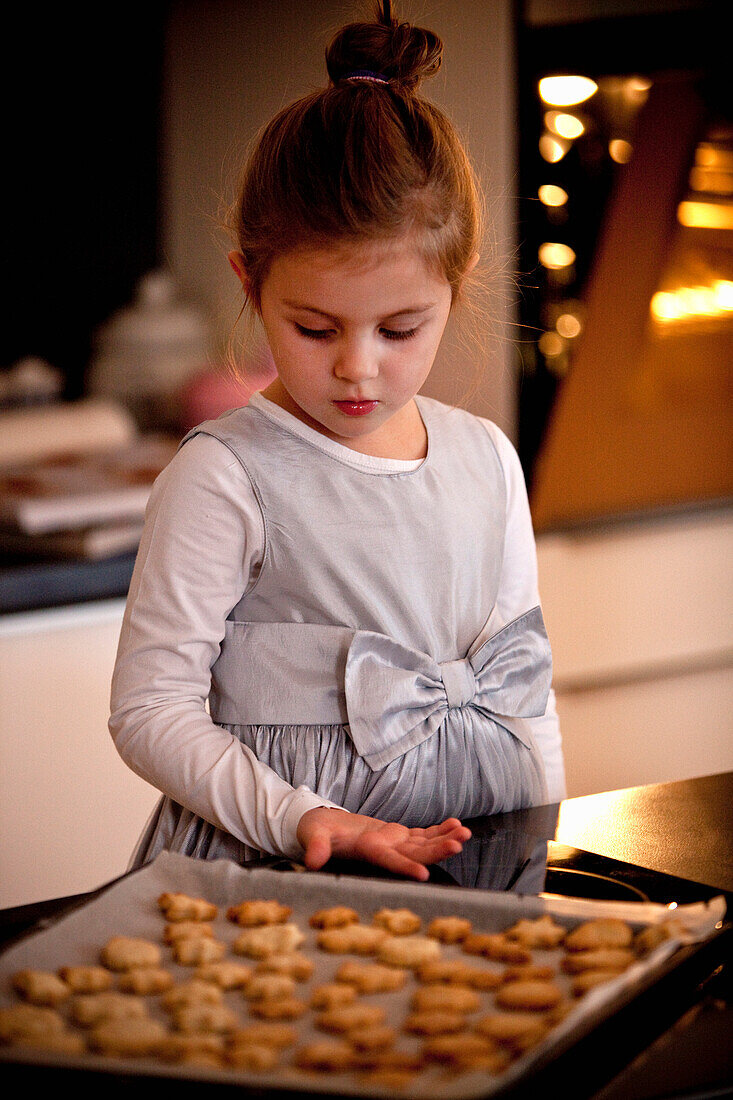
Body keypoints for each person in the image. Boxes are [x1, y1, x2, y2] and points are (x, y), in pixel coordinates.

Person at [109, 0, 565, 884]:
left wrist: (535, 851)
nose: (358, 370)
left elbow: (522, 690)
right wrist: (306, 816)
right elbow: (150, 710)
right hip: (277, 863)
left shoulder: (487, 459)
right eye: (315, 329)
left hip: (475, 852)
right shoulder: (225, 476)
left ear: (456, 282)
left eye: (400, 330)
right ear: (251, 280)